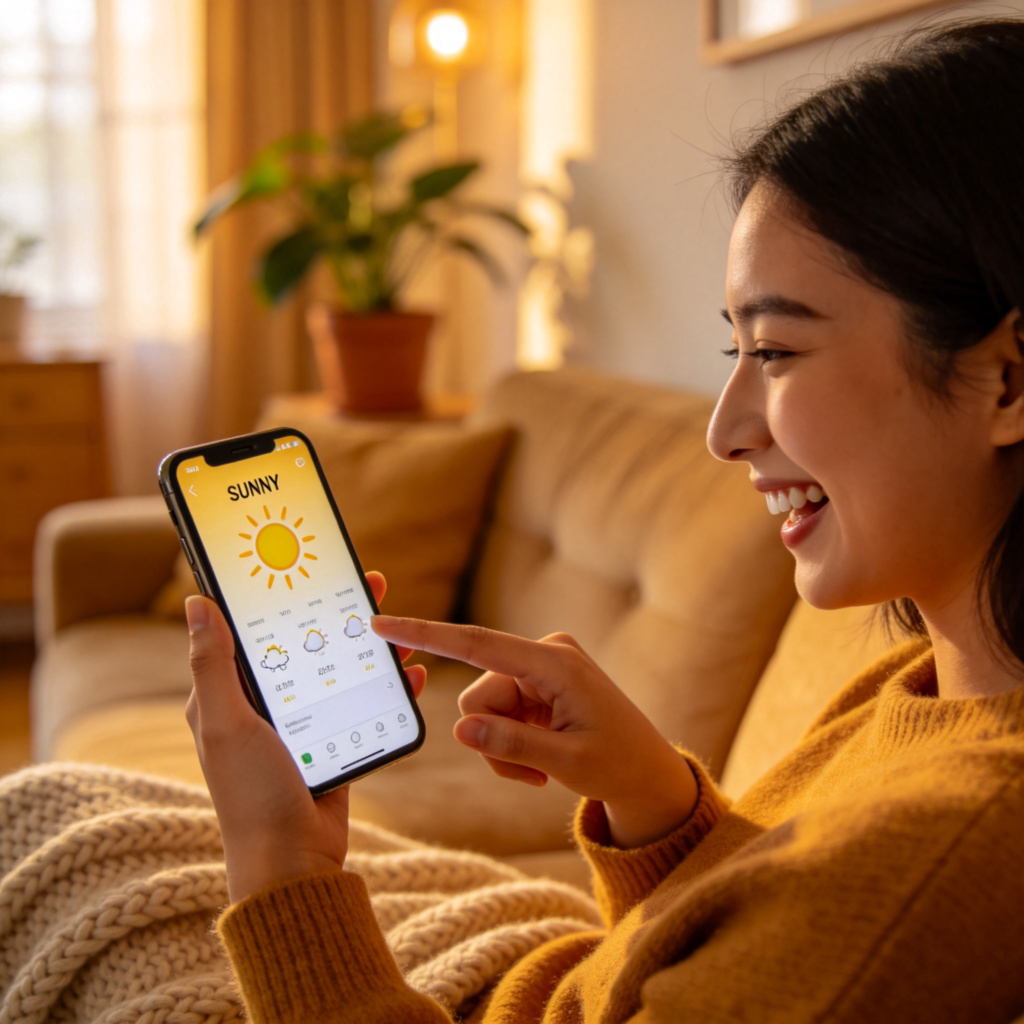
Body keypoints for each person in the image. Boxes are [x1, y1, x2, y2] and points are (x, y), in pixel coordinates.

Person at [184, 19, 1024, 1022]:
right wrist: (659, 802)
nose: (724, 432)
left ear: (1007, 379)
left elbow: (840, 933)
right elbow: (746, 940)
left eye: (778, 352)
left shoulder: (954, 837)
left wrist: (278, 865)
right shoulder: (930, 682)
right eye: (734, 354)